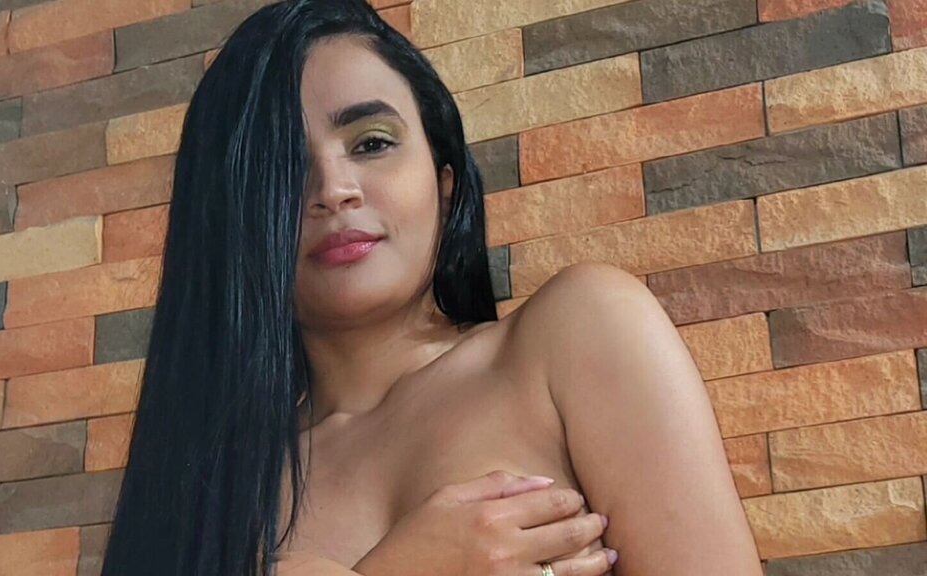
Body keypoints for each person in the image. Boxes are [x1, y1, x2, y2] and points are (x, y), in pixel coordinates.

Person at [99, 1, 764, 575]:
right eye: (284, 166)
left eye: (372, 143)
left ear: (444, 184)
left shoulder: (576, 334)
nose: (333, 190)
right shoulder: (205, 491)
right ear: (226, 219)